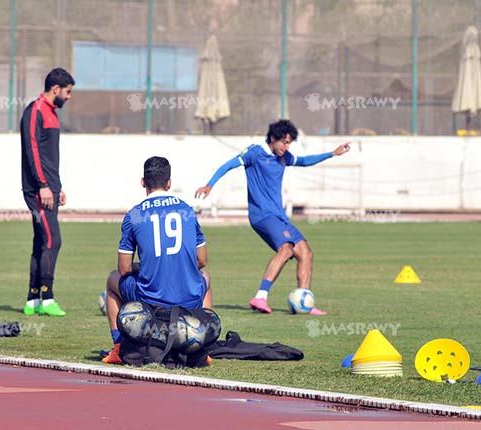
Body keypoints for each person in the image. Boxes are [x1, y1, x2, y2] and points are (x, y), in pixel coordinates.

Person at [195, 119, 350, 315]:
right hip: (262, 215)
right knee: (286, 248)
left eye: (289, 143)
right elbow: (228, 165)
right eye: (284, 142)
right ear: (273, 139)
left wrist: (332, 154)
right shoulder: (255, 152)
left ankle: (304, 301)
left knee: (305, 252)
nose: (287, 147)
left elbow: (303, 161)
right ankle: (260, 297)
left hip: (279, 216)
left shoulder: (282, 157)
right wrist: (210, 184)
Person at [102, 156, 212, 364]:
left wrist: (145, 267)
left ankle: (117, 347)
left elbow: (124, 268)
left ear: (143, 182)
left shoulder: (134, 215)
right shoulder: (187, 210)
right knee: (205, 276)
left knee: (112, 280)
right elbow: (202, 260)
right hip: (189, 298)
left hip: (151, 301)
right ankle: (204, 345)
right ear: (169, 183)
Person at [20, 67, 75, 316]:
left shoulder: (52, 113)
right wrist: (43, 185)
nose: (69, 96)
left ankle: (33, 299)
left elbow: (50, 157)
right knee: (54, 240)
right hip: (37, 190)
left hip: (49, 189)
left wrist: (57, 186)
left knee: (41, 241)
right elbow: (32, 151)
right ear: (56, 89)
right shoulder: (35, 111)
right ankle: (48, 296)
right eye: (68, 92)